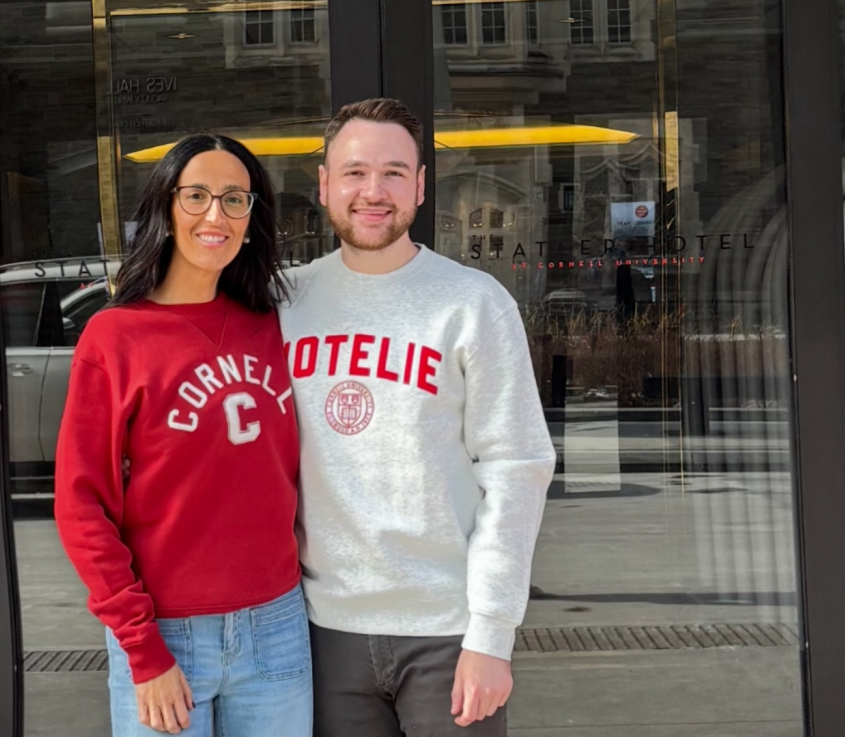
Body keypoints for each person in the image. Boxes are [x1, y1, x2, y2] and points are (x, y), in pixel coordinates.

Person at [279, 98, 557, 736]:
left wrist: (492, 636)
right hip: (321, 632)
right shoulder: (284, 301)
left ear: (421, 185)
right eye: (354, 172)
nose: (372, 191)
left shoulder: (472, 303)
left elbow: (517, 470)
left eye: (394, 173)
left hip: (449, 634)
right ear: (324, 183)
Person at [54, 134, 310, 737]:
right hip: (165, 632)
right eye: (195, 196)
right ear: (166, 207)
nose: (215, 215)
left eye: (234, 199)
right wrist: (143, 649)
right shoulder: (115, 337)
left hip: (277, 624)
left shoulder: (276, 324)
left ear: (253, 218)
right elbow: (80, 505)